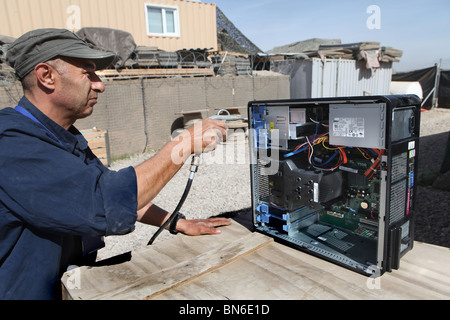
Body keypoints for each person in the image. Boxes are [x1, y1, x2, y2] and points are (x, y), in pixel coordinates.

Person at [0, 28, 231, 300]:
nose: (99, 84)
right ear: (46, 76)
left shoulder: (61, 135)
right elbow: (105, 201)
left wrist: (176, 223)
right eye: (88, 72)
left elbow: (110, 188)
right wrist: (184, 144)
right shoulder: (11, 143)